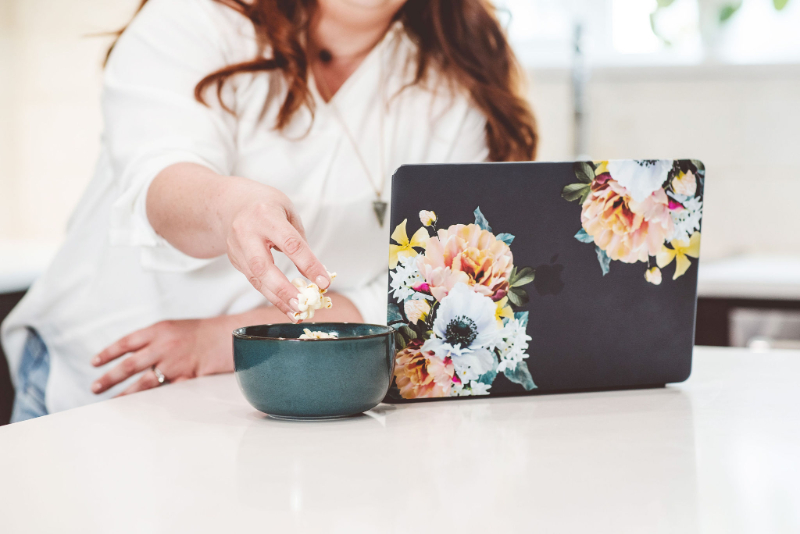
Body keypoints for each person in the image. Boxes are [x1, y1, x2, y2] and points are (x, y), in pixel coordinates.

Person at [1, 0, 537, 422]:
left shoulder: (458, 85)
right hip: (108, 385)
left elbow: (432, 295)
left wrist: (234, 335)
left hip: (299, 410)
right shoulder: (196, 19)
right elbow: (160, 181)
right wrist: (232, 208)